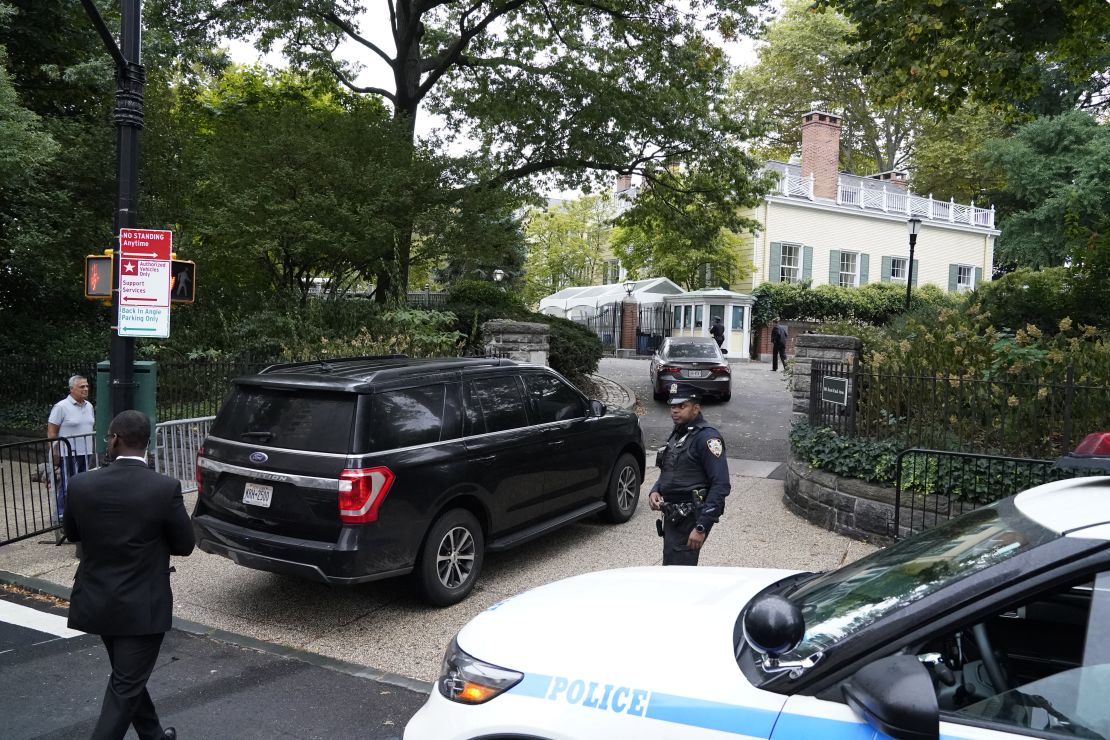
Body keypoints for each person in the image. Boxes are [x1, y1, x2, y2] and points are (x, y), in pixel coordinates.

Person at [63, 410, 195, 740]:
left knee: (127, 678)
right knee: (125, 685)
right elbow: (185, 544)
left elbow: (74, 533)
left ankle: (153, 736)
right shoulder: (164, 488)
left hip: (97, 599)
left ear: (115, 439)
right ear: (147, 442)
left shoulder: (81, 484)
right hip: (143, 605)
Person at [648, 383, 730, 565]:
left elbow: (721, 484)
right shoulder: (680, 433)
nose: (675, 411)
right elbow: (671, 468)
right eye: (673, 406)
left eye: (681, 406)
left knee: (679, 575)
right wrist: (656, 489)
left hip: (691, 517)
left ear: (696, 408)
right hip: (673, 516)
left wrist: (701, 527)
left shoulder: (706, 438)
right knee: (671, 567)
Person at [47, 374, 95, 523]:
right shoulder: (61, 407)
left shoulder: (89, 406)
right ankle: (62, 517)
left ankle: (78, 515)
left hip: (85, 452)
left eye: (87, 386)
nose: (86, 389)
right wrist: (54, 452)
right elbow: (51, 432)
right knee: (67, 486)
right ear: (71, 389)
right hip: (67, 453)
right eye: (82, 386)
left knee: (83, 486)